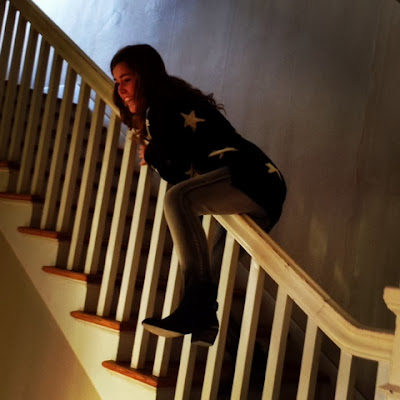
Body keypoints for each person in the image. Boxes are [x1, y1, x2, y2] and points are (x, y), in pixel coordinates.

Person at [111, 44, 286, 346]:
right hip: (261, 183)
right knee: (218, 252)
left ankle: (194, 304)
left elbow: (176, 167)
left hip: (247, 174)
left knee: (177, 199)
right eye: (117, 82)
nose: (121, 90)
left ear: (145, 75)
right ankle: (205, 320)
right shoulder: (172, 102)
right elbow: (181, 168)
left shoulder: (160, 106)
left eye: (126, 80)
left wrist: (151, 153)